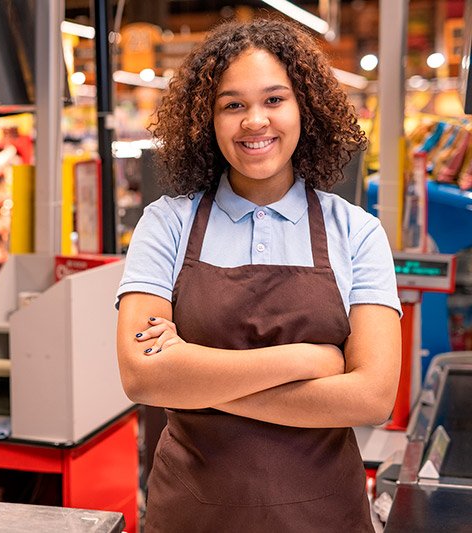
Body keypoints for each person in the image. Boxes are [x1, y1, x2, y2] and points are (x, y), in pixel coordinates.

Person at [115, 18, 402, 532]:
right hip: (193, 514)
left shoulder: (356, 232)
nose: (255, 121)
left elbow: (372, 397)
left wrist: (192, 378)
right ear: (208, 119)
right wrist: (309, 358)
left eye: (274, 100)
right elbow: (142, 375)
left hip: (323, 516)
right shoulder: (167, 223)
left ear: (304, 109)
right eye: (233, 105)